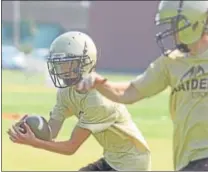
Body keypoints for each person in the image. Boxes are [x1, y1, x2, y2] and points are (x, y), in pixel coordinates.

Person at [73, 1, 208, 171]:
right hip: (188, 160)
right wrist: (100, 84)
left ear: (195, 22)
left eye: (176, 23)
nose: (172, 31)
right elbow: (129, 93)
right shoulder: (171, 62)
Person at [8, 31, 151, 171]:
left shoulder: (97, 99)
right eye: (58, 63)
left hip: (133, 164)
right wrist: (30, 129)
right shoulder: (66, 91)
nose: (60, 69)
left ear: (84, 63)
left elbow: (70, 147)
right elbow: (51, 133)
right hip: (112, 159)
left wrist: (35, 143)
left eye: (67, 63)